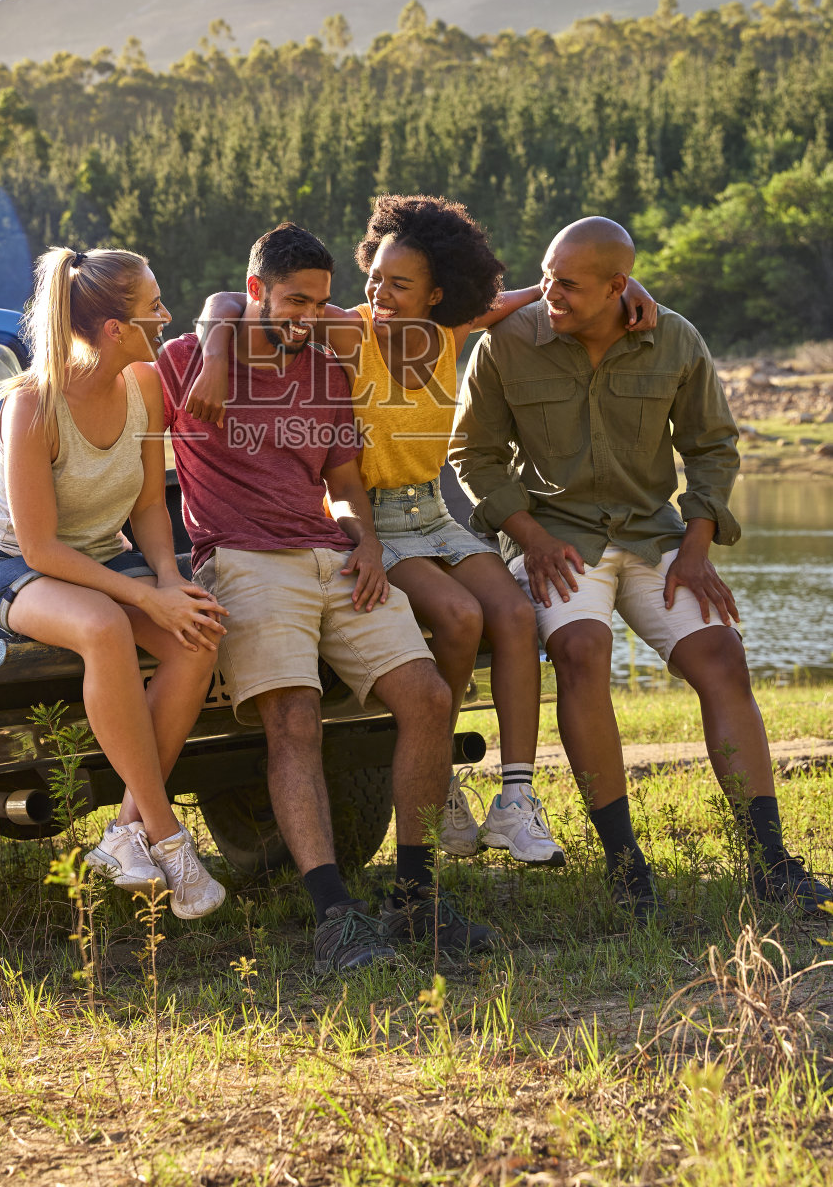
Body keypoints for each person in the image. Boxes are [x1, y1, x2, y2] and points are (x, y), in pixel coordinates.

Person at [186, 196, 656, 867]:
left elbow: (541, 292)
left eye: (397, 284)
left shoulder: (449, 331)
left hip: (433, 514)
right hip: (368, 518)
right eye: (373, 277)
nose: (377, 293)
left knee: (515, 618)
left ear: (436, 294)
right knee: (460, 618)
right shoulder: (346, 331)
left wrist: (626, 286)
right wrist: (211, 355)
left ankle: (515, 799)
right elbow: (231, 298)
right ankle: (440, 783)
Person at [450, 215, 833, 917]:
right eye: (545, 276)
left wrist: (695, 547)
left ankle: (770, 863)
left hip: (654, 536)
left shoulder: (674, 338)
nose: (547, 293)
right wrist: (529, 538)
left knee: (720, 653)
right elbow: (472, 457)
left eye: (566, 284)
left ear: (616, 287)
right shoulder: (506, 343)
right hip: (557, 539)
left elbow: (711, 445)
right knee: (580, 648)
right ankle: (626, 867)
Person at [158, 221, 497, 972]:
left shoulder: (323, 369)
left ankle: (415, 899)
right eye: (294, 302)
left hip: (335, 556)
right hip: (245, 561)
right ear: (255, 292)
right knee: (295, 718)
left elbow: (343, 484)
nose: (309, 319)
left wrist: (368, 544)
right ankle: (334, 915)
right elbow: (123, 448)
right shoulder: (184, 361)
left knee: (429, 697)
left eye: (319, 304)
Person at [0, 246, 227, 920]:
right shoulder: (32, 407)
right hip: (12, 567)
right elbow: (42, 545)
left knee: (195, 639)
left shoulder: (143, 384)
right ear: (113, 328)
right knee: (102, 627)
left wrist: (169, 580)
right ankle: (168, 838)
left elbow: (145, 506)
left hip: (104, 559)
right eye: (153, 308)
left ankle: (125, 831)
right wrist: (142, 596)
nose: (164, 317)